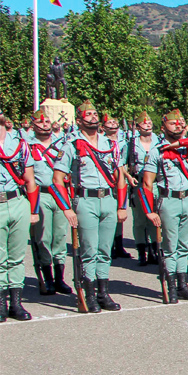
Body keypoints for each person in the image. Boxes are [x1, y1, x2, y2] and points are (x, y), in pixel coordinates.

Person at [51, 101, 129, 312]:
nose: (93, 117)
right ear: (79, 120)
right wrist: (67, 208)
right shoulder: (72, 145)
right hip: (85, 200)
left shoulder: (110, 144)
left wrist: (121, 205)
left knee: (105, 250)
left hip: (108, 199)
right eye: (89, 115)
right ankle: (89, 293)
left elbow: (119, 176)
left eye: (96, 114)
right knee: (89, 250)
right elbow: (57, 178)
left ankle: (103, 292)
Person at [139, 109, 188, 303]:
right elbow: (147, 183)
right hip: (168, 200)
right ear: (163, 128)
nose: (177, 126)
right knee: (170, 247)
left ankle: (183, 285)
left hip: (187, 199)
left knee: (184, 245)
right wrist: (149, 211)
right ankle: (171, 286)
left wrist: (178, 143)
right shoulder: (157, 152)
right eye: (173, 124)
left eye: (180, 123)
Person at [27, 110, 73, 297]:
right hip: (42, 194)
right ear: (33, 125)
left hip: (60, 194)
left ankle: (60, 278)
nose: (45, 124)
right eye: (41, 122)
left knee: (60, 236)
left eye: (47, 121)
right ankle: (47, 279)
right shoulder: (28, 146)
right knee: (43, 237)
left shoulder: (62, 143)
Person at [0, 110, 41, 321]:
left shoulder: (19, 144)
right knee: (0, 257)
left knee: (16, 257)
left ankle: (16, 303)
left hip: (17, 201)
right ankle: (0, 303)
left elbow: (30, 179)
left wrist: (33, 210)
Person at [121, 111, 160, 268]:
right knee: (139, 220)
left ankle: (154, 251)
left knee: (155, 219)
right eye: (144, 123)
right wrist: (128, 177)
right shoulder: (130, 144)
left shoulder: (159, 141)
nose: (148, 124)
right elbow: (121, 164)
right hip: (138, 184)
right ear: (137, 127)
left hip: (155, 184)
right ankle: (141, 252)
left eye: (149, 122)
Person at [103, 114, 131, 260]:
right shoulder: (101, 142)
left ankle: (119, 244)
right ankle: (108, 245)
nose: (113, 124)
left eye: (115, 121)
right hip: (107, 180)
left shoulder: (124, 142)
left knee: (120, 210)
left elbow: (123, 163)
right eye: (109, 122)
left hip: (121, 178)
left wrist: (126, 176)